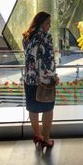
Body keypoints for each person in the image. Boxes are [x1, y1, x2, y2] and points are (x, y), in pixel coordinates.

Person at [22, 11, 59, 149]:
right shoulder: (46, 37)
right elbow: (48, 60)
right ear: (40, 23)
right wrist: (53, 76)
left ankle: (38, 136)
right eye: (47, 23)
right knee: (47, 109)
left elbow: (30, 58)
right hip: (44, 81)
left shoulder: (26, 37)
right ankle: (47, 140)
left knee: (33, 110)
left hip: (29, 80)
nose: (49, 26)